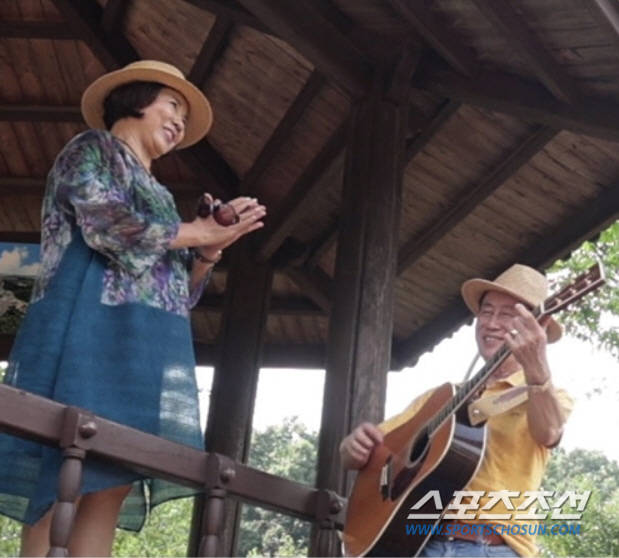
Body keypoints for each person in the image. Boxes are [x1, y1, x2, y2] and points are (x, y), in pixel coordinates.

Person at [0, 60, 266, 557]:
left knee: (110, 482)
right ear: (137, 99)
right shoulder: (91, 149)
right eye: (173, 105)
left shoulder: (162, 196)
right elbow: (107, 224)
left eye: (183, 116)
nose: (179, 122)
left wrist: (207, 252)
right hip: (85, 334)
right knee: (62, 474)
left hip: (144, 350)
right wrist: (198, 232)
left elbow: (176, 293)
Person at [340, 264, 573, 557]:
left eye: (508, 314)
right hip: (417, 543)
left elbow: (549, 431)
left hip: (491, 549)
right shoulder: (442, 396)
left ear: (537, 326)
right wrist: (351, 448)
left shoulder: (549, 394)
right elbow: (377, 452)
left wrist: (538, 372)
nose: (492, 323)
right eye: (486, 311)